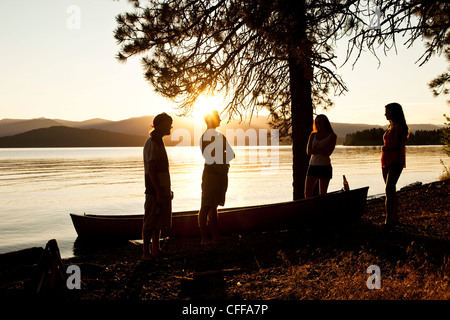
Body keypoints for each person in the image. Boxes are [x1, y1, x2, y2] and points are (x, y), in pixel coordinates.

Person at [198, 110, 235, 244]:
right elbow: (211, 157)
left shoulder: (220, 136)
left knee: (213, 206)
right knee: (206, 205)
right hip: (211, 175)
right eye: (218, 118)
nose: (220, 119)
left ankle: (215, 235)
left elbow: (231, 154)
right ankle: (204, 238)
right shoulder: (206, 137)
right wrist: (222, 156)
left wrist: (221, 156)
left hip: (220, 175)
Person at [142, 113, 174, 260]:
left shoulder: (159, 141)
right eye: (169, 124)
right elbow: (152, 169)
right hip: (154, 191)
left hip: (161, 189)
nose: (171, 127)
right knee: (150, 221)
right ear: (160, 125)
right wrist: (159, 191)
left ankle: (156, 250)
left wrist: (167, 190)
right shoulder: (153, 142)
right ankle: (145, 253)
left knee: (158, 221)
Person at [381, 102, 409, 229]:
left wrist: (386, 149)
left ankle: (388, 219)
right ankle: (394, 217)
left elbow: (398, 145)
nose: (385, 114)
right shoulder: (390, 126)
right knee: (390, 190)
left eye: (387, 111)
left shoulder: (399, 126)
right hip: (386, 160)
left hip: (395, 160)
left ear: (394, 112)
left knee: (389, 188)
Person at [305, 114, 337, 199]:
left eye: (320, 122)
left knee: (323, 194)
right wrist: (322, 149)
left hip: (325, 167)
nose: (318, 124)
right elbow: (308, 152)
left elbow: (328, 153)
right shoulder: (313, 135)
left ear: (325, 122)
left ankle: (322, 210)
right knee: (307, 194)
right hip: (312, 166)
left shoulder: (332, 136)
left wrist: (316, 150)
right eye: (317, 122)